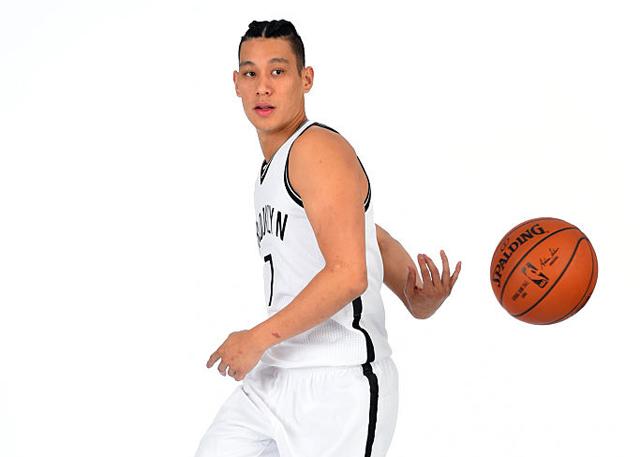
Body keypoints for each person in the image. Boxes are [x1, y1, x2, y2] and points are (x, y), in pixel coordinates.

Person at [193, 19, 462, 457]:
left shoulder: (316, 148)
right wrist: (412, 295)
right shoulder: (274, 165)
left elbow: (348, 274)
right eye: (250, 73)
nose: (263, 87)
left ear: (306, 79)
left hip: (338, 383)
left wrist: (256, 338)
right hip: (277, 372)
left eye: (278, 71)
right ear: (236, 84)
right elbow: (361, 229)